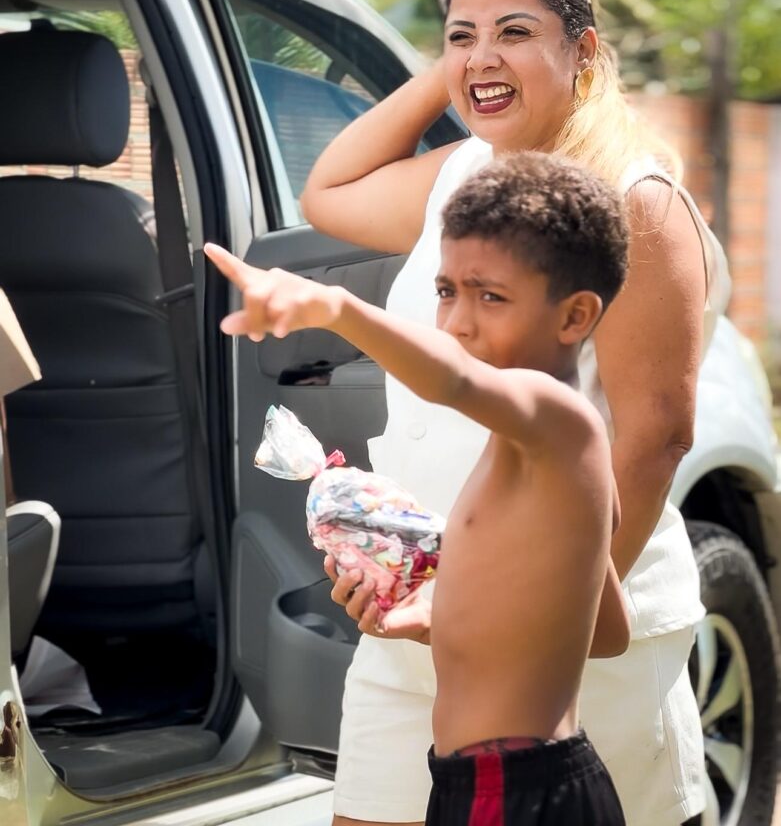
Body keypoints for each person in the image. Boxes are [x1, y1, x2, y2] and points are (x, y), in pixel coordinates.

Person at [299, 0, 728, 826]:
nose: (482, 55)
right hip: (420, 614)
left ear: (583, 51)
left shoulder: (634, 198)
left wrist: (550, 618)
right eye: (459, 34)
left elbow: (655, 437)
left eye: (516, 32)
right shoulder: (460, 173)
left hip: (565, 643)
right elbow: (327, 191)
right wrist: (464, 68)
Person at [205, 150, 631, 825]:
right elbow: (605, 629)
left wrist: (334, 307)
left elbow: (451, 379)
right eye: (445, 291)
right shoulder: (540, 452)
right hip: (497, 781)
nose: (457, 321)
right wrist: (437, 622)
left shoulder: (561, 419)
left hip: (514, 790)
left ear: (575, 317)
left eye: (490, 296)